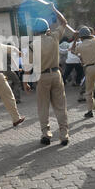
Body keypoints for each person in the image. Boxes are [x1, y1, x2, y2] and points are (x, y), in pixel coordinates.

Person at [23, 9, 70, 146]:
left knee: (43, 107)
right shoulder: (54, 37)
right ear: (47, 29)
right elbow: (64, 22)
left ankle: (46, 134)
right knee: (61, 106)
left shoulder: (32, 45)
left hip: (41, 77)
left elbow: (27, 67)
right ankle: (64, 134)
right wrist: (55, 9)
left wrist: (26, 82)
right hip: (56, 74)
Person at [71, 27, 95, 119]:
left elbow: (72, 51)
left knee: (89, 91)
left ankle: (90, 111)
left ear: (81, 37)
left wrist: (75, 39)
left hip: (89, 69)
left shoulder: (80, 46)